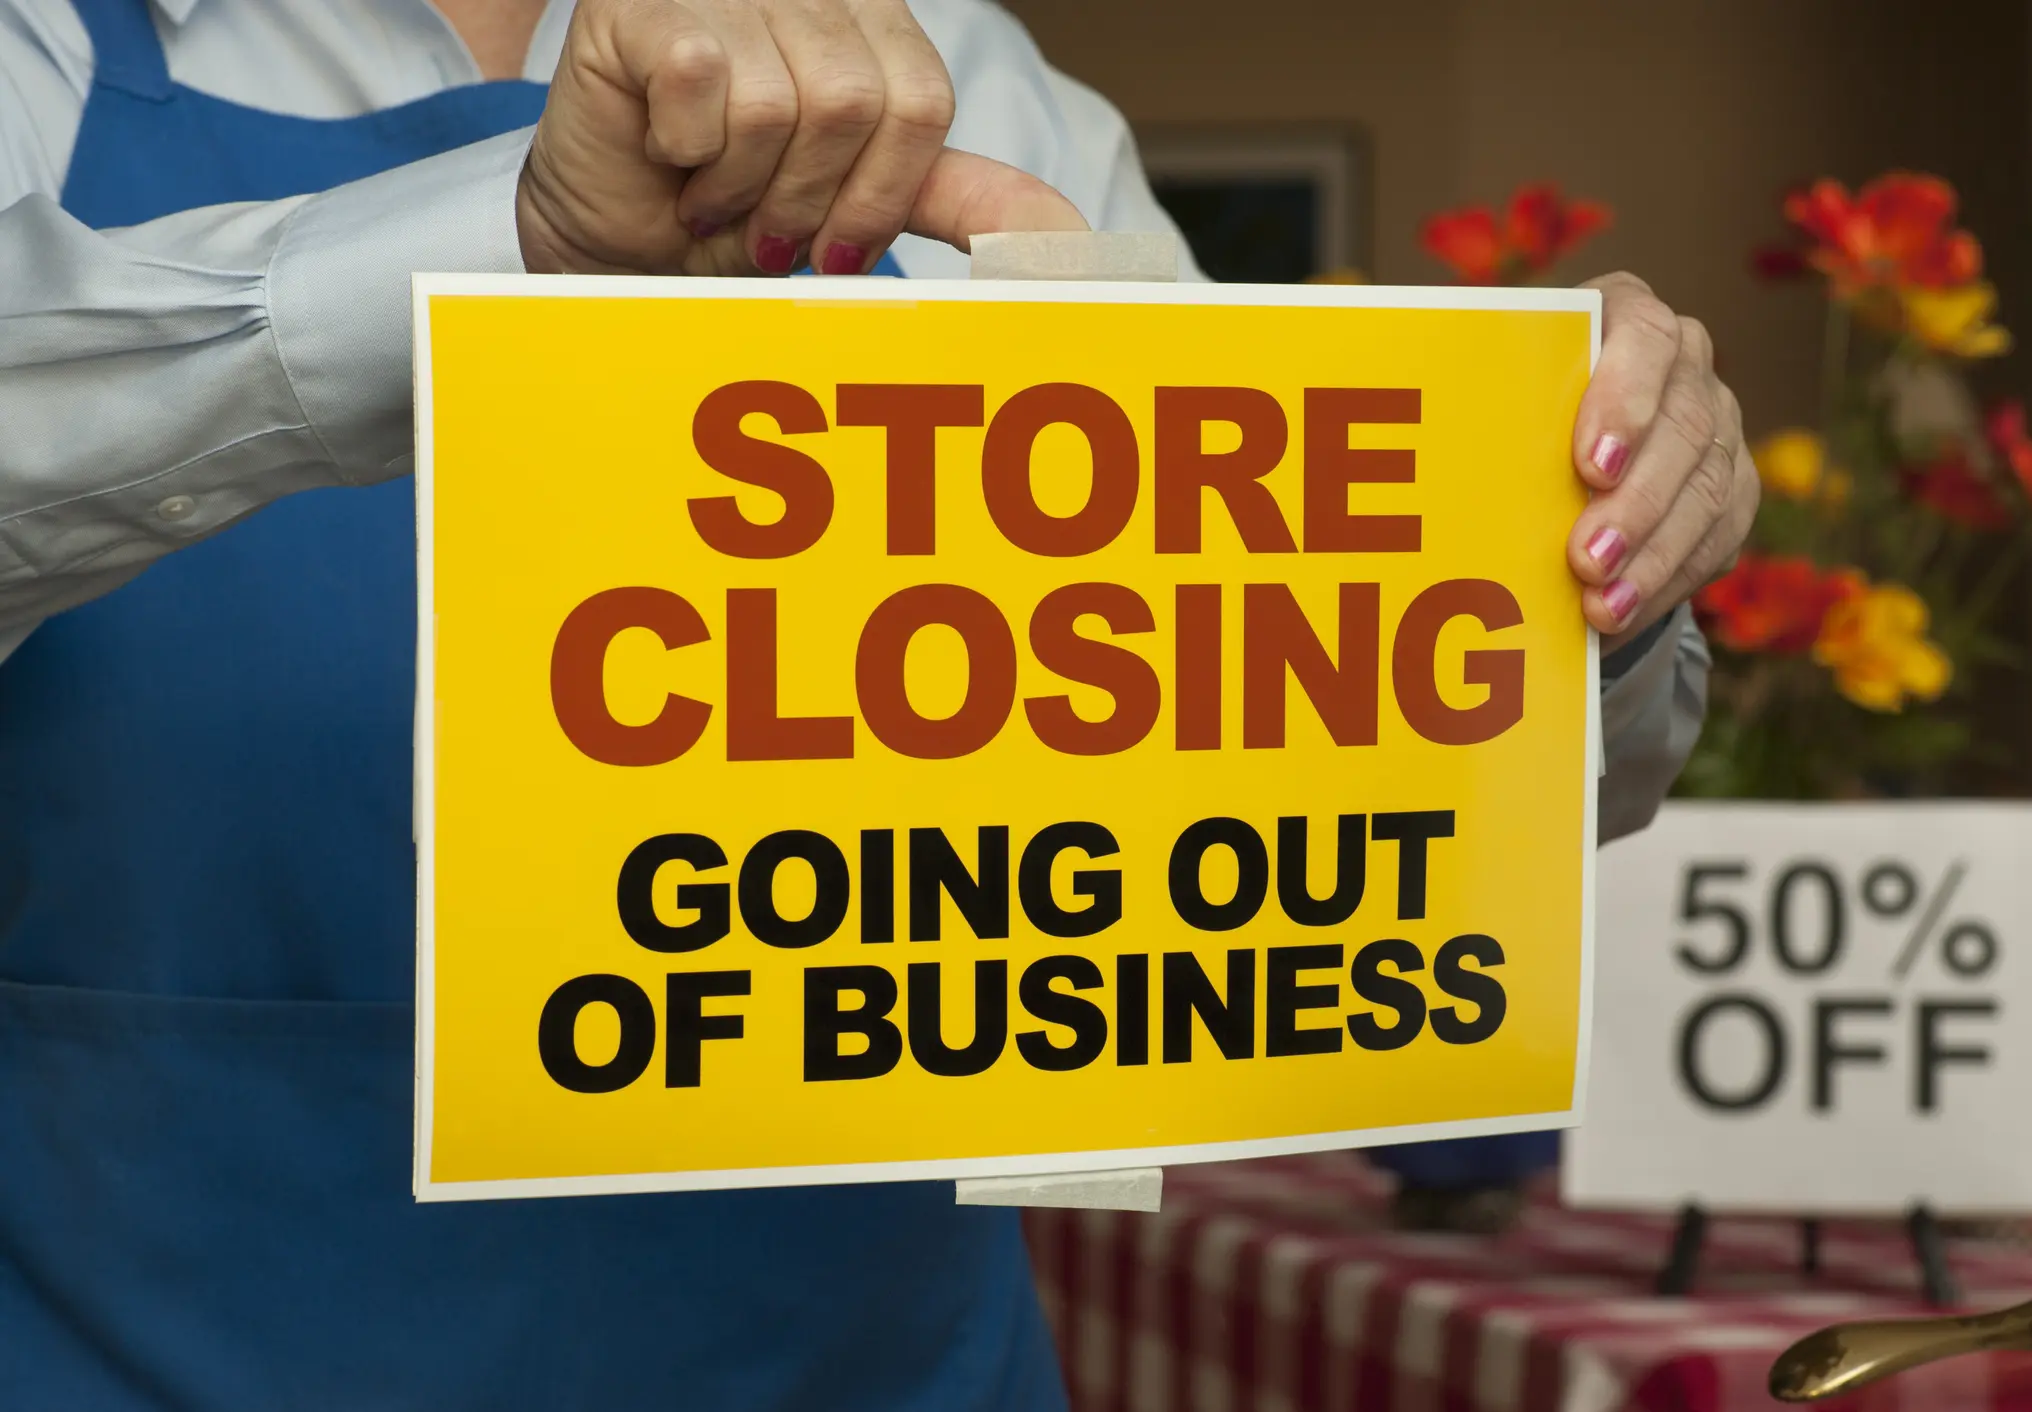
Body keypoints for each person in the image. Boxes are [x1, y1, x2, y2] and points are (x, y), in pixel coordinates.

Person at [0, 0, 1758, 1406]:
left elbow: (1271, 708)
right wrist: (499, 244)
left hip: (873, 1363)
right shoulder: (44, 61)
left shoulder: (980, 87)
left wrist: (1567, 557)